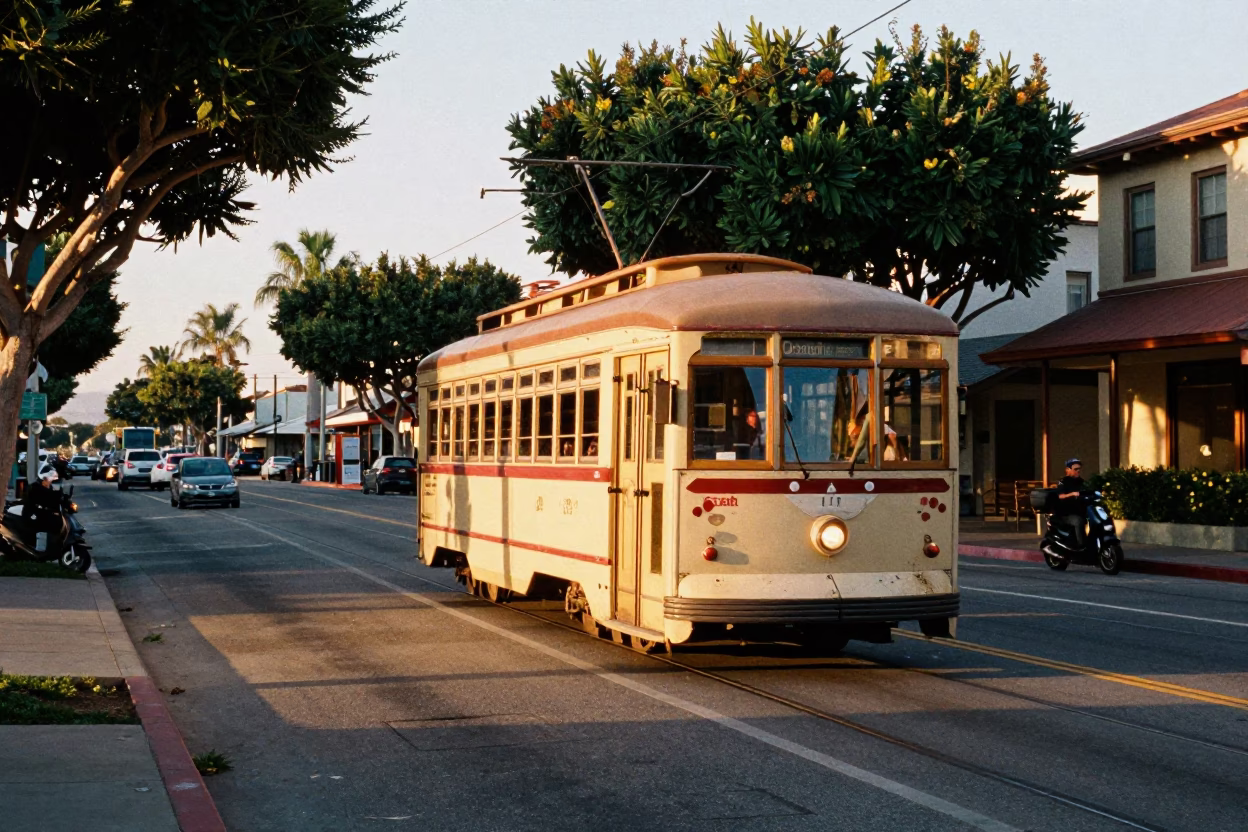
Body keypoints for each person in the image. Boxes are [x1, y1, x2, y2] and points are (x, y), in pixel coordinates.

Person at [1055, 458, 1086, 545]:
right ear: (1068, 470)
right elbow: (1060, 496)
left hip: (1081, 511)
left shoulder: (1081, 481)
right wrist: (1072, 494)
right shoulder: (1063, 482)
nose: (1078, 471)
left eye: (1079, 469)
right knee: (1078, 521)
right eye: (1076, 469)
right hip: (1066, 514)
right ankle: (1081, 546)